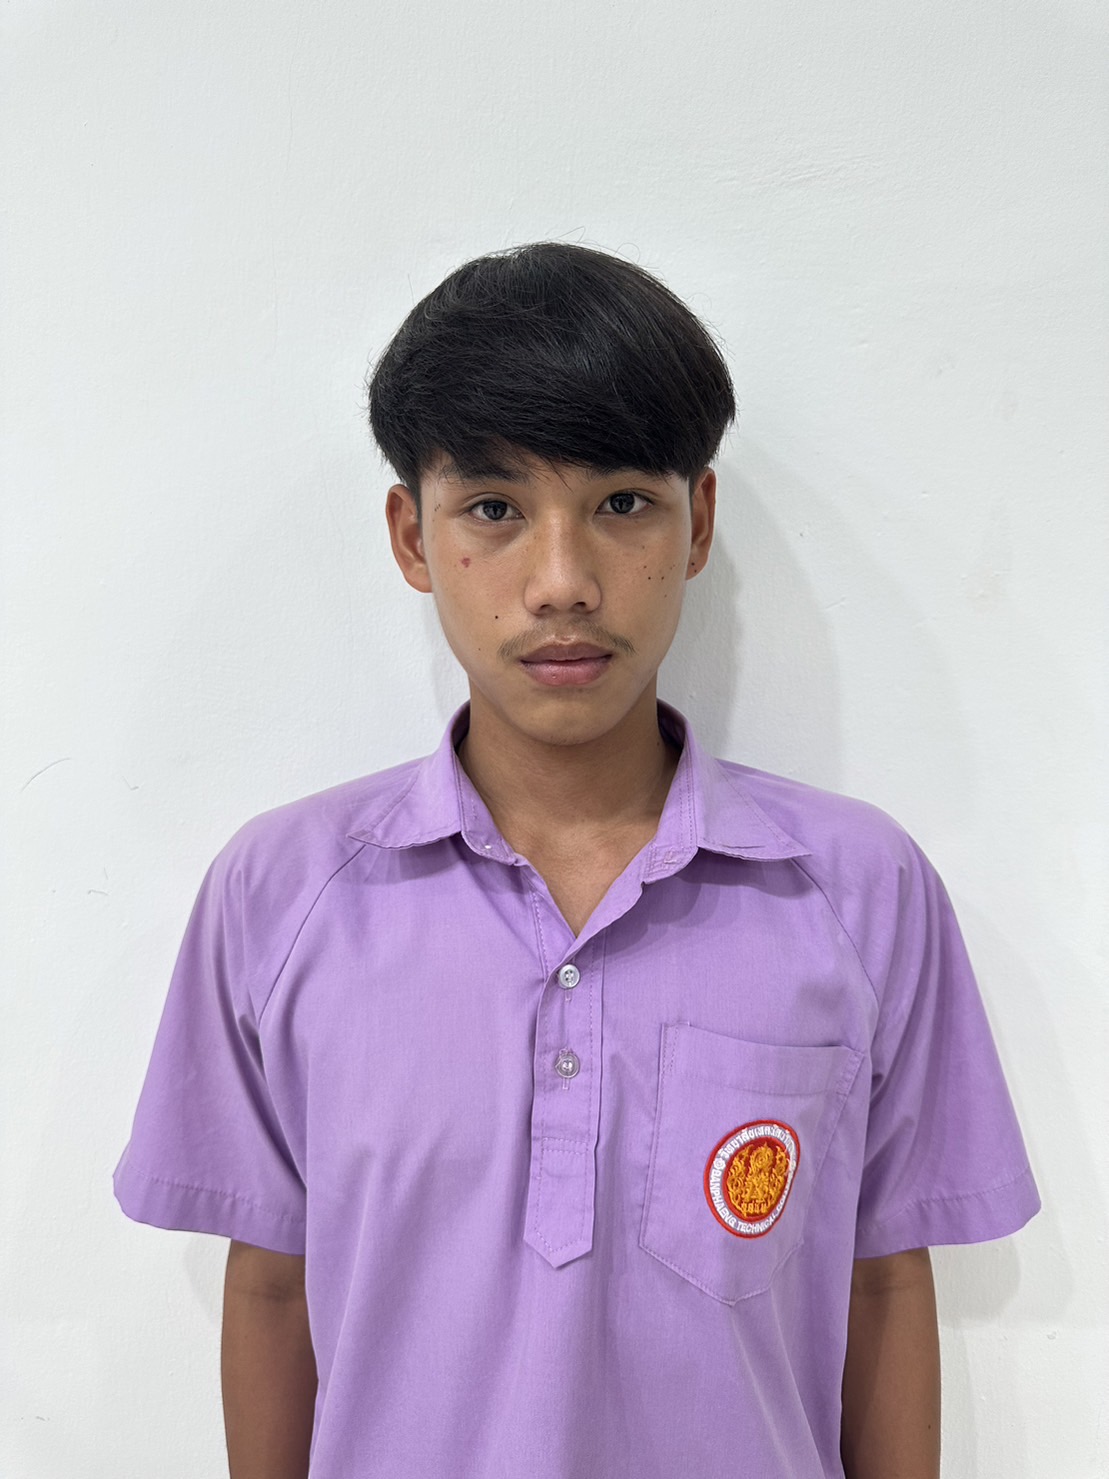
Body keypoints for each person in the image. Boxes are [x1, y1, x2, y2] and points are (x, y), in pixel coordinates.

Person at [113, 241, 1040, 1479]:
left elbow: (878, 1285)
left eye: (621, 504)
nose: (561, 583)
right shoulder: (280, 897)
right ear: (411, 536)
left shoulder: (857, 893)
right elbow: (274, 1289)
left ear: (697, 522)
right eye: (494, 510)